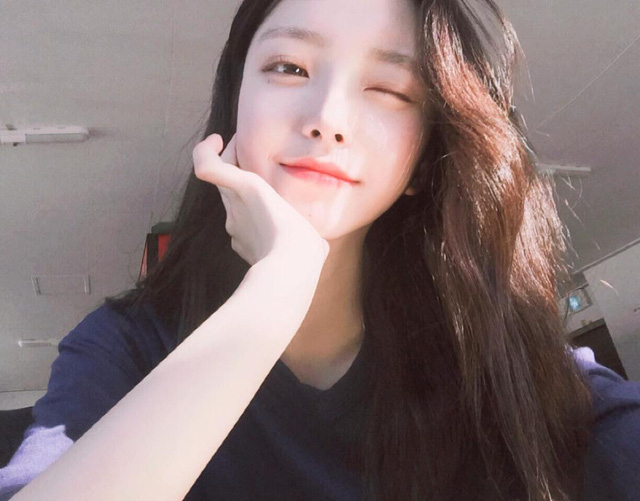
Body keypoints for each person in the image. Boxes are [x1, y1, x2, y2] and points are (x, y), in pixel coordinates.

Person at [1, 0, 639, 499]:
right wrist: (277, 288)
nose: (328, 116)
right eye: (289, 68)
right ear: (234, 105)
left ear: (422, 162)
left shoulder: (506, 369)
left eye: (391, 89)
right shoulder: (123, 349)